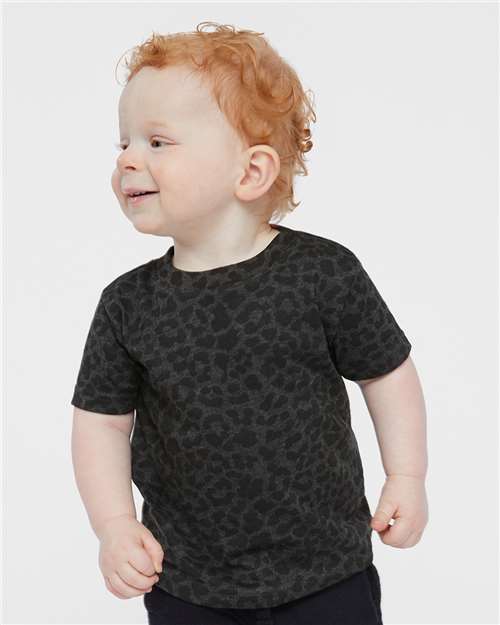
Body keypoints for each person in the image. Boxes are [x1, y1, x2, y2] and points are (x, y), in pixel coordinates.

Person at [71, 21, 428, 625]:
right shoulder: (126, 305)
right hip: (188, 581)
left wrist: (408, 474)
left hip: (327, 571)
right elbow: (100, 422)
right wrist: (114, 524)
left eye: (157, 142)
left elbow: (386, 373)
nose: (128, 158)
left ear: (250, 171)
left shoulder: (322, 273)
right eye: (124, 142)